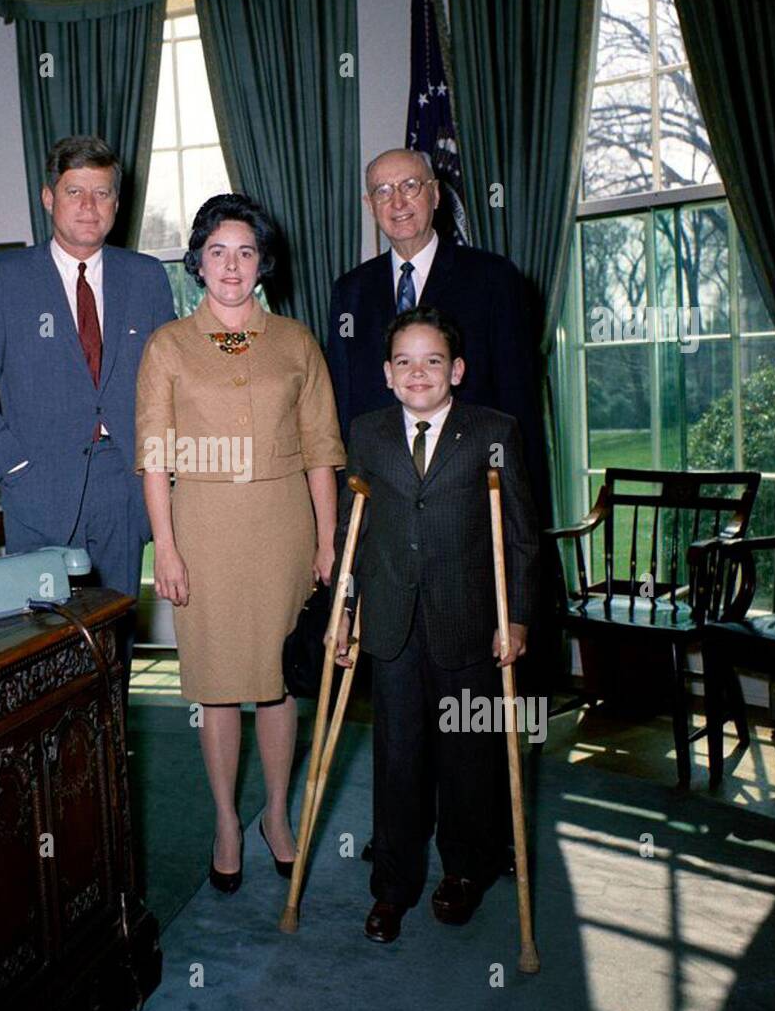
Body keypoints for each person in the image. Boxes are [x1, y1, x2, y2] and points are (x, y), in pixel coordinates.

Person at [135, 194, 345, 892]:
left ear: (263, 264)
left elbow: (321, 448)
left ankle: (276, 815)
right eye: (218, 251)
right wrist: (164, 548)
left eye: (245, 252)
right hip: (204, 532)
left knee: (281, 681)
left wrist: (327, 540)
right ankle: (227, 819)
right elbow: (154, 455)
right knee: (220, 686)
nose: (231, 265)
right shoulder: (168, 345)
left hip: (285, 526)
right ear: (197, 261)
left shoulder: (296, 341)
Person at [332, 307, 539, 942]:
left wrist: (520, 618)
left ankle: (465, 871)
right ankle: (392, 885)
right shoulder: (367, 433)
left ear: (457, 369)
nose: (417, 372)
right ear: (387, 374)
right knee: (397, 757)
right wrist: (344, 613)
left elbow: (523, 539)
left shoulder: (492, 431)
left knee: (466, 754)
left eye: (431, 361)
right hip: (393, 623)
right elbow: (352, 536)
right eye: (404, 362)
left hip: (469, 621)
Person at [0, 136, 176, 675]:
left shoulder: (145, 277)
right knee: (41, 653)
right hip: (38, 486)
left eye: (102, 194)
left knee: (115, 652)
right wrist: (13, 467)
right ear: (49, 197)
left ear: (118, 205)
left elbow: (171, 385)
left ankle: (111, 755)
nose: (89, 206)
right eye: (75, 192)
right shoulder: (3, 278)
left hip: (123, 488)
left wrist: (164, 475)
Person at [326, 148, 549, 519]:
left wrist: (523, 515)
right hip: (383, 506)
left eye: (410, 186)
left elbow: (517, 400)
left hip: (471, 503)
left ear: (435, 193)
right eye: (383, 191)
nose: (397, 201)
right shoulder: (350, 291)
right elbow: (344, 404)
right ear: (369, 204)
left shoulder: (493, 279)